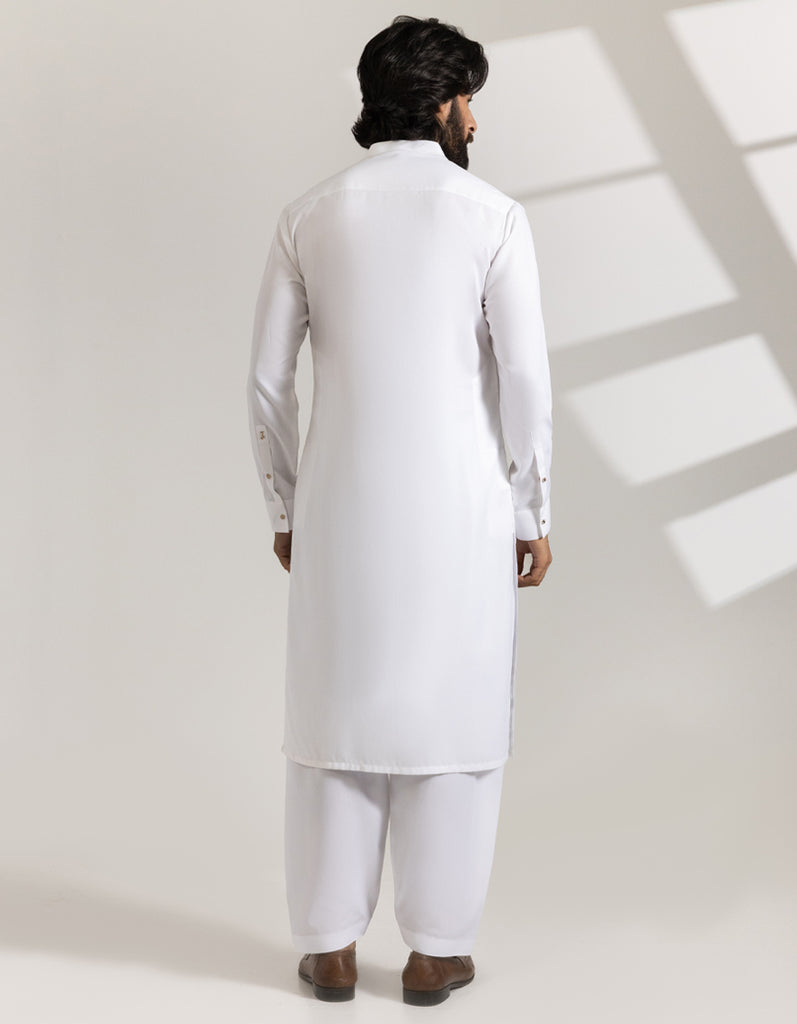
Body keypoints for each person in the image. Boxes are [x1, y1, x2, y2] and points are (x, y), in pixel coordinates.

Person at [246, 15, 553, 1006]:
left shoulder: (308, 215)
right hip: (463, 509)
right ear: (440, 103)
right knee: (454, 713)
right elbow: (524, 379)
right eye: (469, 100)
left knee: (333, 712)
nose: (476, 120)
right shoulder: (492, 215)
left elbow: (266, 383)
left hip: (338, 507)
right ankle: (435, 950)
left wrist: (285, 504)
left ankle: (329, 946)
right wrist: (531, 508)